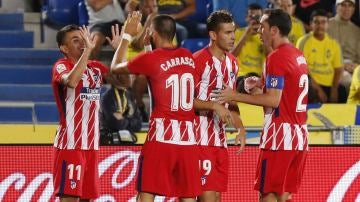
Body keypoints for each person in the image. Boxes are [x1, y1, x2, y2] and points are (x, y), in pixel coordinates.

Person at [212, 9, 309, 202]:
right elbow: (285, 93)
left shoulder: (276, 57)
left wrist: (235, 95)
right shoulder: (298, 55)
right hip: (299, 136)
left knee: (268, 195)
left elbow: (273, 100)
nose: (259, 32)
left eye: (262, 27)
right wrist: (258, 86)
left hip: (279, 137)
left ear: (273, 30)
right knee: (282, 195)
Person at [111, 12, 203, 201]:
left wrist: (126, 37)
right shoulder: (188, 57)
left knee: (147, 192)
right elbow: (161, 69)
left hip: (162, 137)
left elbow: (115, 67)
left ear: (153, 32)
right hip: (188, 140)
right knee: (187, 196)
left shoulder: (152, 59)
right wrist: (147, 45)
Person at [51, 25, 109, 200]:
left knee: (86, 198)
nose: (82, 43)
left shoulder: (95, 68)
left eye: (83, 38)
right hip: (70, 144)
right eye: (76, 40)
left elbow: (125, 80)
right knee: (69, 197)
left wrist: (121, 45)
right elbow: (72, 82)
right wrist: (88, 52)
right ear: (64, 48)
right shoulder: (61, 66)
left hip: (91, 145)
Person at [193, 10, 246, 201]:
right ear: (213, 35)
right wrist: (214, 106)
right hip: (199, 140)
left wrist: (240, 128)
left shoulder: (233, 63)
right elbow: (182, 102)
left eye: (233, 32)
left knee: (216, 198)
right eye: (227, 33)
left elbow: (230, 99)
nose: (233, 37)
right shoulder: (197, 61)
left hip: (220, 141)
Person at [297, 9, 346, 103]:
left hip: (329, 84)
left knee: (342, 91)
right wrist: (318, 90)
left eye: (323, 22)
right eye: (316, 22)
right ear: (311, 24)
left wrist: (334, 89)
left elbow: (339, 69)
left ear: (328, 25)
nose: (320, 26)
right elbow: (302, 70)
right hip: (311, 83)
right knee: (310, 93)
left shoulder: (333, 43)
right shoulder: (303, 41)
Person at [99, 73, 142, 145]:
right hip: (110, 142)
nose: (132, 77)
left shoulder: (129, 95)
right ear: (119, 76)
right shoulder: (107, 97)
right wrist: (130, 121)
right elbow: (116, 124)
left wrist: (124, 119)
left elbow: (138, 124)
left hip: (128, 140)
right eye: (128, 74)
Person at [328, 0, 360, 92]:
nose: (347, 9)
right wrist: (341, 65)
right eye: (343, 5)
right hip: (333, 67)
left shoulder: (357, 30)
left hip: (354, 67)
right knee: (348, 81)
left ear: (354, 9)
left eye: (350, 6)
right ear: (336, 7)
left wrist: (356, 66)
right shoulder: (327, 25)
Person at [232, 3, 265, 83]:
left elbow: (270, 55)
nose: (255, 20)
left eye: (257, 17)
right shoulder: (238, 33)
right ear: (246, 18)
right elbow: (232, 56)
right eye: (251, 16)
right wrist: (245, 35)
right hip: (242, 75)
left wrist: (263, 36)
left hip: (261, 75)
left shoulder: (266, 35)